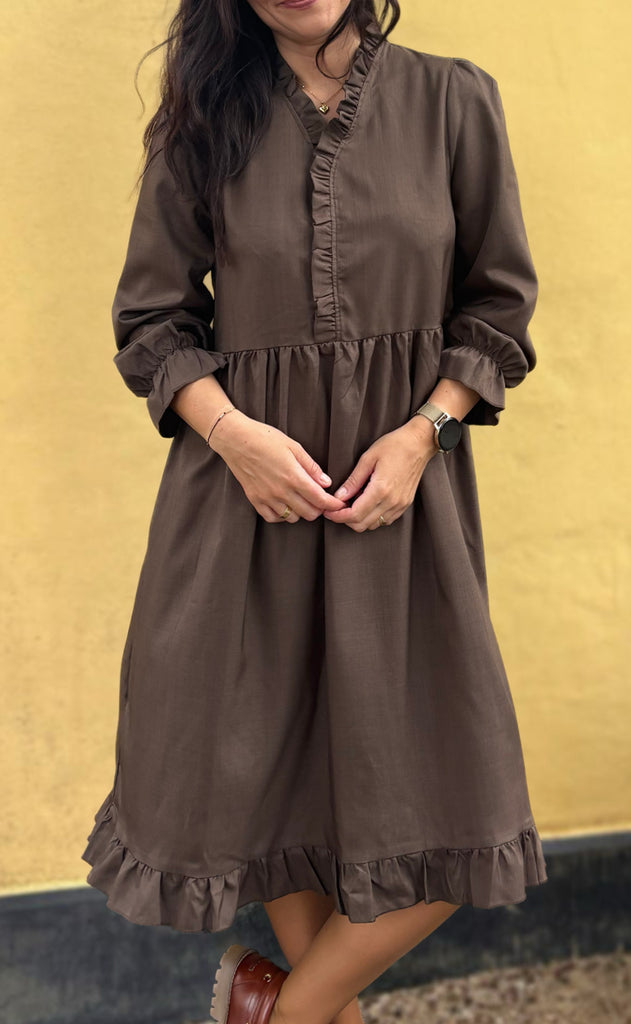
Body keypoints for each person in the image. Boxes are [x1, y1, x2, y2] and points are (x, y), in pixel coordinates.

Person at [81, 1, 548, 1022]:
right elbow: (154, 320)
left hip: (399, 511)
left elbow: (497, 306)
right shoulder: (204, 116)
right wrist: (235, 438)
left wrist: (423, 432)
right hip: (244, 510)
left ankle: (276, 1012)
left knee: (453, 796)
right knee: (275, 796)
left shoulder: (452, 99)